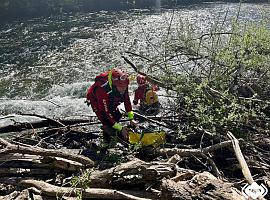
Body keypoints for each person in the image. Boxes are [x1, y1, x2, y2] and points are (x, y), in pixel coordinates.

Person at [86, 68, 137, 143]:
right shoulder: (102, 89)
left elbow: (127, 101)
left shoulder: (123, 83)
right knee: (106, 121)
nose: (123, 90)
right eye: (121, 87)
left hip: (110, 96)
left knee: (117, 115)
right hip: (96, 99)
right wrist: (121, 128)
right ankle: (106, 140)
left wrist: (131, 118)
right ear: (113, 85)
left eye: (125, 87)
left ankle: (117, 132)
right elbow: (106, 112)